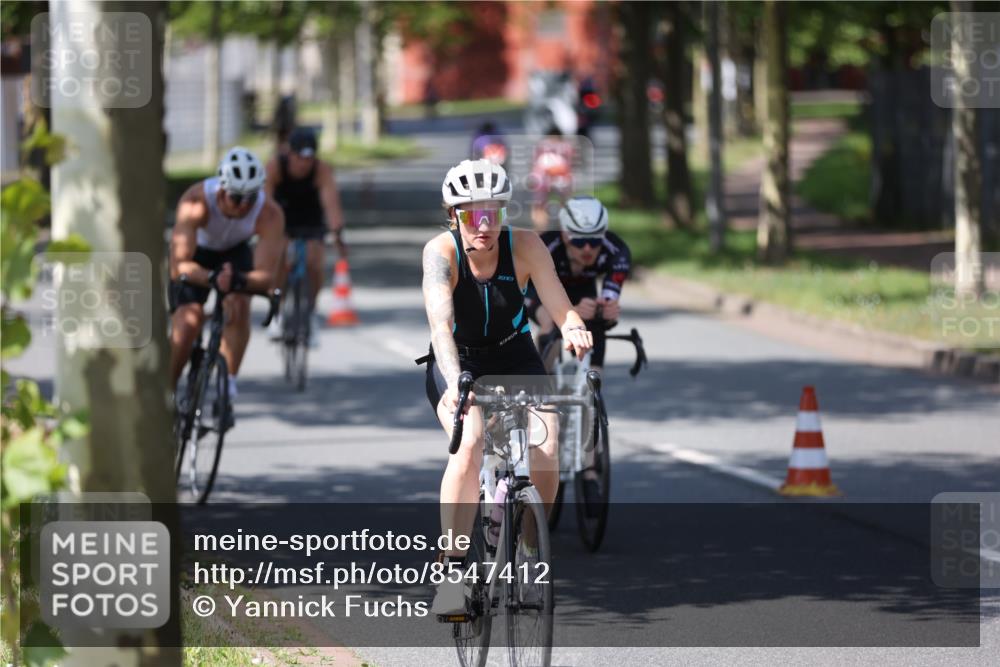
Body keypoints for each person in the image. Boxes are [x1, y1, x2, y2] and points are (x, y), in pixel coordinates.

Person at [420, 159, 593, 615]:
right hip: (459, 359)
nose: (484, 224)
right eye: (472, 214)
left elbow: (560, 303)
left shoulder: (527, 245)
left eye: (492, 212)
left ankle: (531, 552)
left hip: (515, 354)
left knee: (548, 447)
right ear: (454, 215)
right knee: (471, 443)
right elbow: (440, 326)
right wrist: (458, 385)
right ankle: (453, 572)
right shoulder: (441, 252)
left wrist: (573, 327)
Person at [169, 147, 285, 424]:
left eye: (250, 197)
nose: (243, 205)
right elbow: (179, 265)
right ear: (222, 189)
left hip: (235, 252)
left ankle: (227, 386)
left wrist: (239, 280)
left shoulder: (268, 213)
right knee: (189, 321)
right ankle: (166, 388)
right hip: (198, 255)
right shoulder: (196, 202)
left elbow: (267, 276)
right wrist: (210, 278)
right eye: (236, 197)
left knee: (239, 304)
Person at [525, 195, 631, 375]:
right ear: (565, 236)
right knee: (550, 322)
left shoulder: (616, 250)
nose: (588, 249)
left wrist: (607, 311)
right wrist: (571, 312)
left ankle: (592, 386)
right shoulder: (546, 246)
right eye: (580, 241)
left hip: (582, 289)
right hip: (538, 289)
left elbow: (609, 300)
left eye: (595, 240)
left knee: (595, 319)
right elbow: (536, 286)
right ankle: (543, 386)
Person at [265, 127, 346, 335]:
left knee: (315, 261)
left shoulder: (321, 170)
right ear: (289, 153)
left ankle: (310, 311)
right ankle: (278, 310)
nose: (304, 164)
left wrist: (337, 233)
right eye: (299, 158)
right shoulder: (275, 167)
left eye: (309, 158)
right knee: (279, 258)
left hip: (310, 217)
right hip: (281, 216)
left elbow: (331, 205)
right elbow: (264, 203)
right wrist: (266, 233)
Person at [528, 125, 575, 232]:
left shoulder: (541, 145)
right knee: (565, 204)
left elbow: (534, 163)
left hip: (542, 177)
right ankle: (564, 228)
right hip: (562, 177)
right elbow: (571, 164)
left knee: (539, 206)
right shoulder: (567, 146)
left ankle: (540, 231)